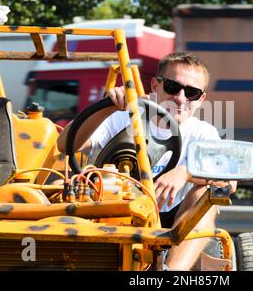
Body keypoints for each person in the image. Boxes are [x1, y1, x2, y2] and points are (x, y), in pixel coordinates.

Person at [57, 52, 236, 270]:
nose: (180, 98)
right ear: (155, 85)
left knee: (206, 195)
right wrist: (107, 106)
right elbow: (65, 145)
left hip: (174, 221)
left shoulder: (203, 133)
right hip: (112, 211)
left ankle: (172, 272)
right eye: (172, 87)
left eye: (191, 92)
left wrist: (186, 172)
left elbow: (229, 182)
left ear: (201, 100)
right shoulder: (121, 116)